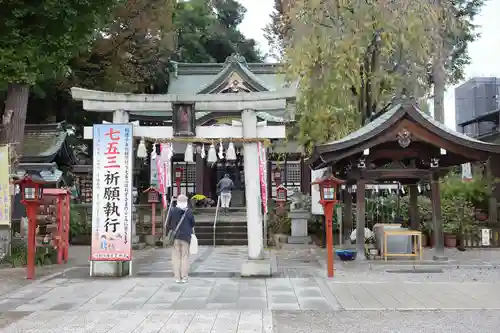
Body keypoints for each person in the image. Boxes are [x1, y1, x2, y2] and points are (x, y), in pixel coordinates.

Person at [167, 194, 195, 283]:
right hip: (186, 237)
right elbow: (193, 223)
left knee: (176, 257)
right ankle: (184, 277)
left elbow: (168, 224)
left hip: (175, 237)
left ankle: (177, 277)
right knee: (184, 257)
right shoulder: (189, 211)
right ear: (186, 202)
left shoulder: (172, 210)